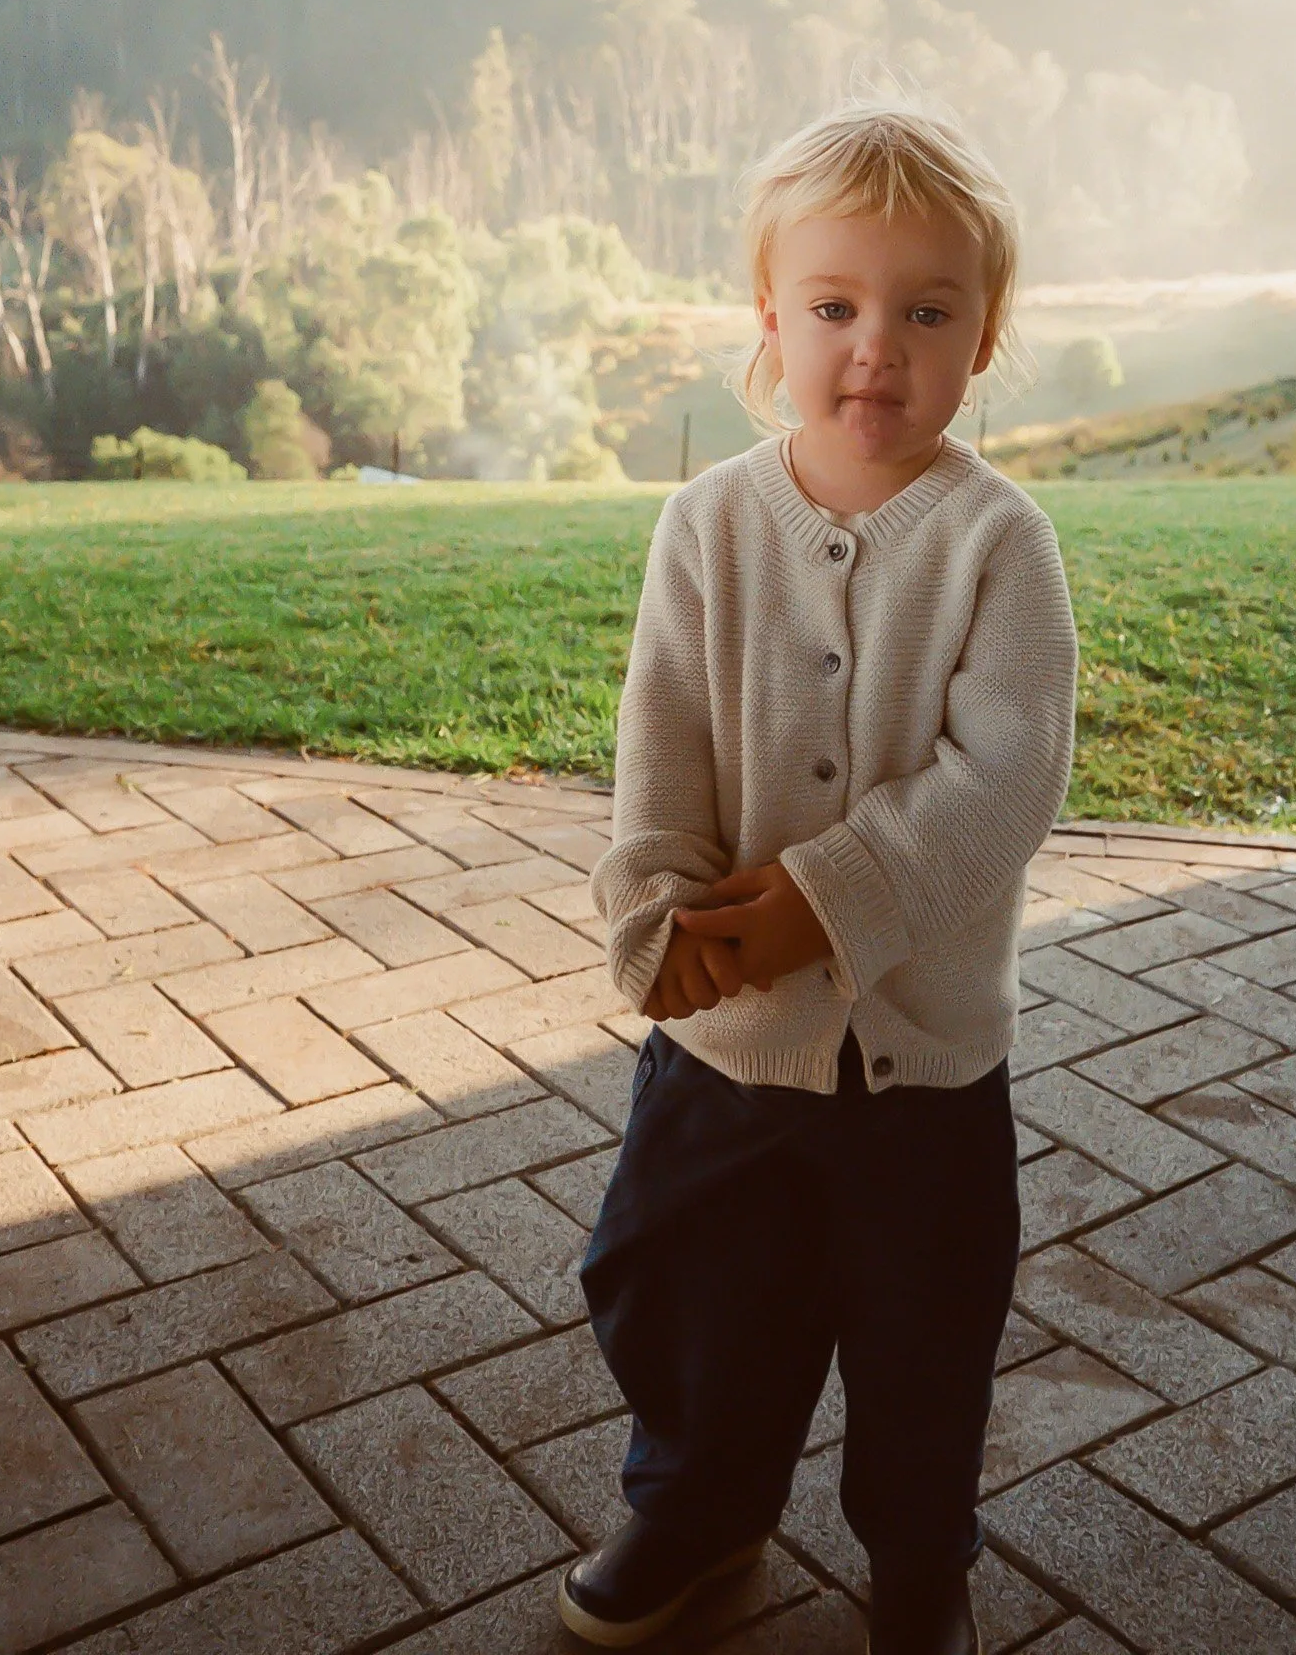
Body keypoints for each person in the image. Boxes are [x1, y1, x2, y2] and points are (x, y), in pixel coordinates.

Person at [562, 103, 1079, 1655]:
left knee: (926, 1336)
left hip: (923, 1059)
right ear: (770, 319)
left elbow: (1007, 776)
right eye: (837, 308)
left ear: (983, 339)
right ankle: (703, 1510)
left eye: (926, 312)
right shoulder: (710, 524)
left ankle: (919, 1557)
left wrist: (827, 900)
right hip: (727, 1042)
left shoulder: (999, 543)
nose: (877, 349)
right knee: (683, 1287)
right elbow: (659, 734)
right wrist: (655, 912)